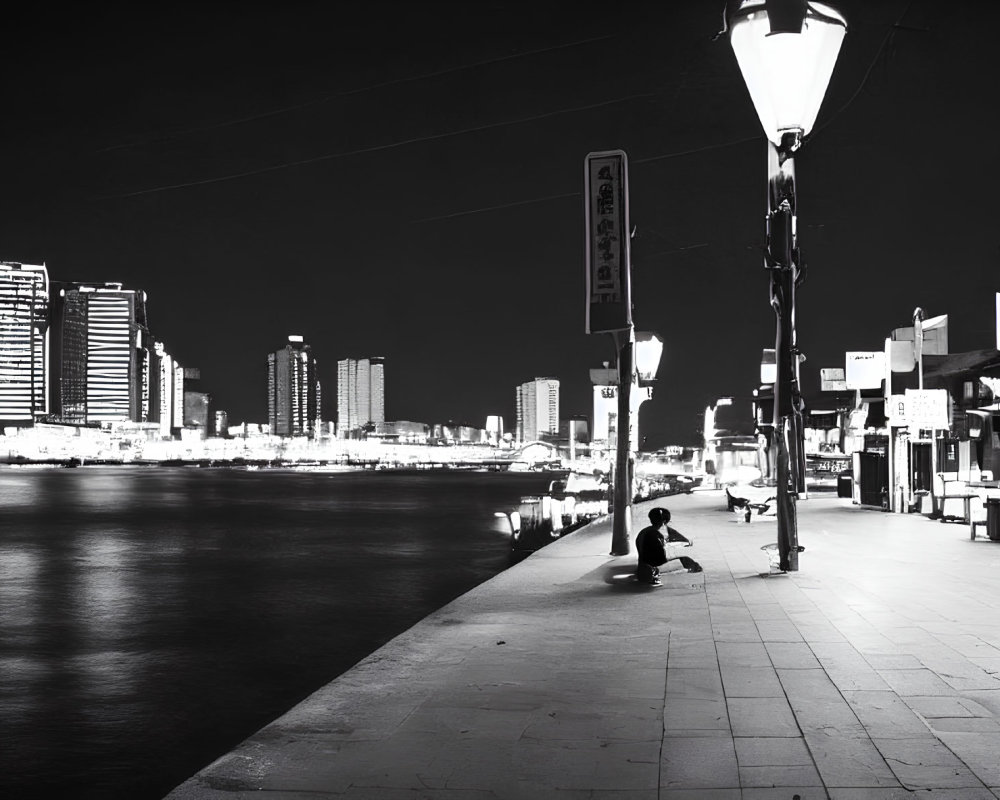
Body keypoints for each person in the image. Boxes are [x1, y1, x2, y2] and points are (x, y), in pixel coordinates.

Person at [635, 507, 702, 585]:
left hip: (643, 567)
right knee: (686, 560)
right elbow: (660, 557)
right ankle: (695, 569)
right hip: (650, 571)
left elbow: (680, 538)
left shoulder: (645, 531)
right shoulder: (656, 534)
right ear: (664, 522)